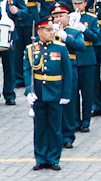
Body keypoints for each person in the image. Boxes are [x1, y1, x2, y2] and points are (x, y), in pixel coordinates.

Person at [25, 19, 69, 171]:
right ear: (39, 32)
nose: (51, 32)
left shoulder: (61, 48)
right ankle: (41, 157)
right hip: (39, 92)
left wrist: (66, 93)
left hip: (55, 91)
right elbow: (28, 71)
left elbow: (67, 72)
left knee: (55, 127)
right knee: (40, 127)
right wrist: (29, 91)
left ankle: (53, 158)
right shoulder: (31, 49)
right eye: (47, 30)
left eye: (52, 30)